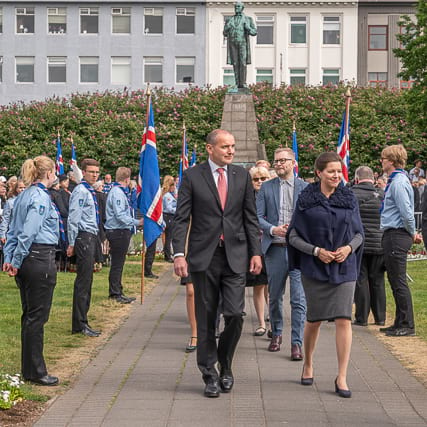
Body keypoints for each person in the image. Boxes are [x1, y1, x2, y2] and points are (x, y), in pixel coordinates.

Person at [173, 129, 262, 398]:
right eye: (225, 146)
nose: (231, 151)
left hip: (235, 257)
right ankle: (209, 374)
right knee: (207, 317)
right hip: (204, 257)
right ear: (210, 148)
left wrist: (255, 252)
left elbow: (250, 217)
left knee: (235, 315)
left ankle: (226, 364)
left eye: (233, 146)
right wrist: (178, 253)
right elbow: (181, 218)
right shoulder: (192, 177)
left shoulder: (240, 176)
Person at [287, 152, 364, 398]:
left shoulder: (349, 197)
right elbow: (293, 236)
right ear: (319, 173)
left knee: (344, 319)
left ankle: (341, 376)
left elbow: (359, 233)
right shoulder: (305, 200)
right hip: (315, 267)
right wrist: (316, 251)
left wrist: (348, 248)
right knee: (315, 319)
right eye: (331, 171)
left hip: (344, 266)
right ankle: (308, 363)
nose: (336, 176)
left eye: (339, 171)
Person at [2, 156, 60, 386]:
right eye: (54, 171)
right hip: (38, 258)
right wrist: (14, 259)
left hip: (28, 259)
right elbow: (27, 232)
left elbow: (13, 230)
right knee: (37, 317)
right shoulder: (39, 198)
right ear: (48, 173)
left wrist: (10, 257)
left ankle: (30, 368)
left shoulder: (24, 195)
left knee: (29, 316)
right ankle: (36, 371)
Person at [256, 148, 307, 360]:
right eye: (276, 161)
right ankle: (276, 333)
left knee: (298, 299)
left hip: (298, 251)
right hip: (275, 249)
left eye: (283, 161)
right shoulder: (266, 188)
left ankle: (297, 343)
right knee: (275, 296)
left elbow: (312, 217)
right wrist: (272, 229)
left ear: (293, 163)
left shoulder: (305, 188)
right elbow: (257, 217)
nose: (278, 164)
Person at [379, 145, 422, 337]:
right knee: (394, 279)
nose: (381, 161)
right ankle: (399, 321)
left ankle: (407, 323)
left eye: (383, 158)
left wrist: (412, 232)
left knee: (398, 280)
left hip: (397, 233)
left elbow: (406, 212)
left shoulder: (398, 183)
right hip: (393, 233)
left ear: (392, 160)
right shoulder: (395, 180)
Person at [67, 159, 101, 337]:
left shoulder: (89, 190)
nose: (94, 175)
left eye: (97, 172)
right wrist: (72, 242)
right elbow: (73, 218)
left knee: (87, 281)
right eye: (91, 172)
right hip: (83, 237)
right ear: (84, 172)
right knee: (83, 282)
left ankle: (83, 320)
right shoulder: (81, 191)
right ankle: (79, 324)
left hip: (90, 236)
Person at [351, 166, 386, 327]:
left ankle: (362, 317)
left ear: (357, 179)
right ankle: (380, 317)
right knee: (378, 280)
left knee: (361, 280)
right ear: (373, 178)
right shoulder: (382, 194)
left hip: (359, 243)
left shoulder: (351, 194)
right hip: (379, 243)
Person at [105, 167, 141, 303]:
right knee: (117, 264)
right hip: (118, 231)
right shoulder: (118, 193)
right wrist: (137, 222)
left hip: (118, 230)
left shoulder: (117, 191)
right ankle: (115, 292)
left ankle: (118, 289)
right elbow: (120, 215)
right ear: (127, 179)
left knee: (118, 263)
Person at [247, 166, 270, 336]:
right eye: (256, 179)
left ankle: (273, 320)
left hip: (272, 246)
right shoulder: (247, 198)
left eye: (263, 178)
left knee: (274, 288)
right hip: (254, 247)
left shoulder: (273, 197)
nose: (260, 182)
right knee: (259, 286)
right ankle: (261, 323)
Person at [223, 2, 257, 89]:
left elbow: (254, 32)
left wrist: (248, 28)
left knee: (243, 63)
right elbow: (224, 33)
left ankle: (243, 83)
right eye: (235, 6)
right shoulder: (230, 19)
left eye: (238, 6)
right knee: (235, 63)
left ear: (242, 8)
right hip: (233, 43)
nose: (236, 8)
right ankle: (237, 83)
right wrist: (227, 27)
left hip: (243, 43)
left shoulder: (248, 19)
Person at [0, 179, 26, 245]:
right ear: (16, 189)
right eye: (20, 188)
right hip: (13, 233)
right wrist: (3, 234)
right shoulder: (10, 202)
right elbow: (5, 219)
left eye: (24, 188)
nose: (22, 189)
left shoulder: (28, 201)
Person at [162, 176, 177, 263]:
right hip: (168, 216)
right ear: (170, 186)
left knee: (169, 237)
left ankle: (167, 253)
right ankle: (167, 256)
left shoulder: (170, 195)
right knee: (168, 237)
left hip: (171, 216)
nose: (174, 188)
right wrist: (178, 211)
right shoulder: (167, 196)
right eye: (173, 186)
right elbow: (169, 208)